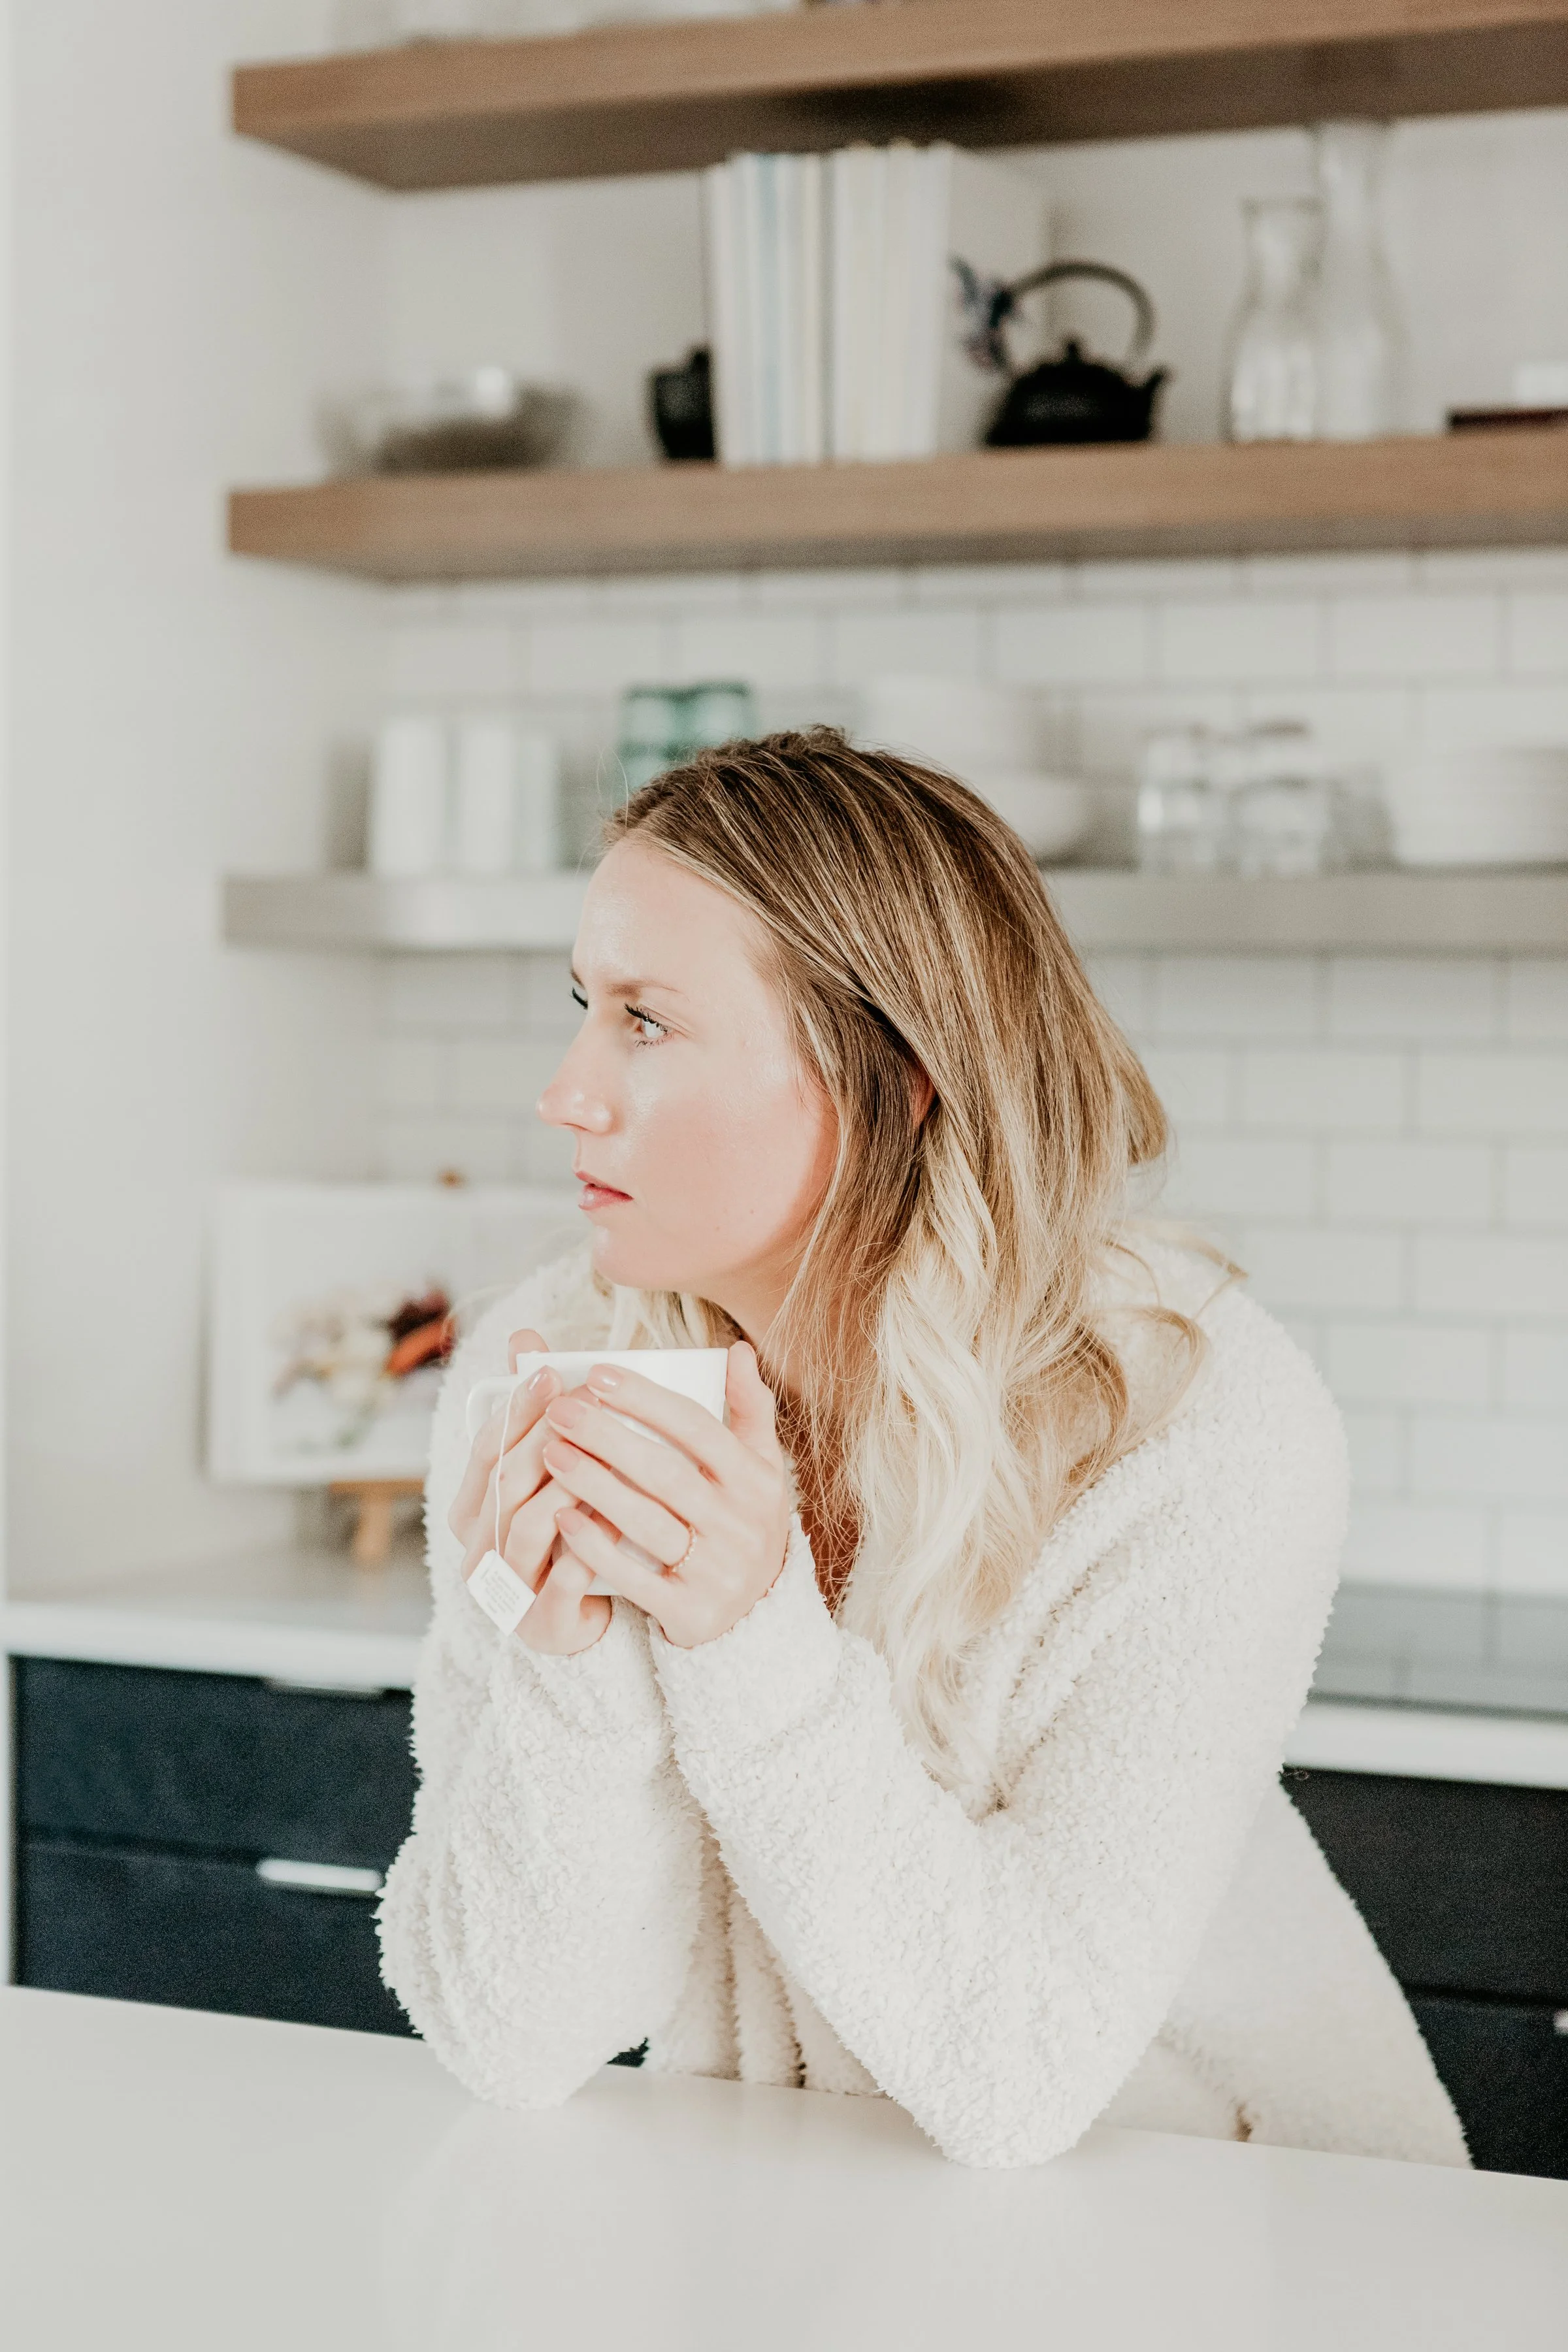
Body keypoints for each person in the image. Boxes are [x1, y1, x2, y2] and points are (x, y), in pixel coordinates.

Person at [378, 728, 1465, 2170]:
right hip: (815, 2221)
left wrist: (745, 1636)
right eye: (583, 1003)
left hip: (1242, 2213)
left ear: (894, 1073)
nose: (567, 1091)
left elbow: (1020, 2073)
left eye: (645, 1020)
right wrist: (567, 1676)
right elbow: (513, 2038)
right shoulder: (557, 1370)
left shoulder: (1193, 1425)